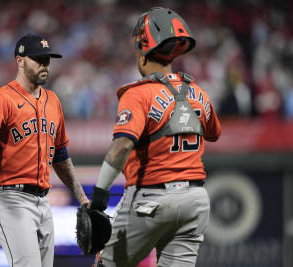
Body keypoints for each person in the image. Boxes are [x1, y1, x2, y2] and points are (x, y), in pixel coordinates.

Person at [88, 7, 221, 267]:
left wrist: (99, 196)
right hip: (195, 200)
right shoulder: (199, 92)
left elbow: (122, 145)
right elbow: (214, 133)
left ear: (141, 53)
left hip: (151, 199)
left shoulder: (138, 94)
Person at [0, 33, 89, 267]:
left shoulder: (53, 101)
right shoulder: (0, 99)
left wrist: (83, 199)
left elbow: (61, 156)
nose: (44, 65)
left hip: (43, 201)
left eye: (47, 59)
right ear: (19, 61)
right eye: (38, 59)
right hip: (9, 198)